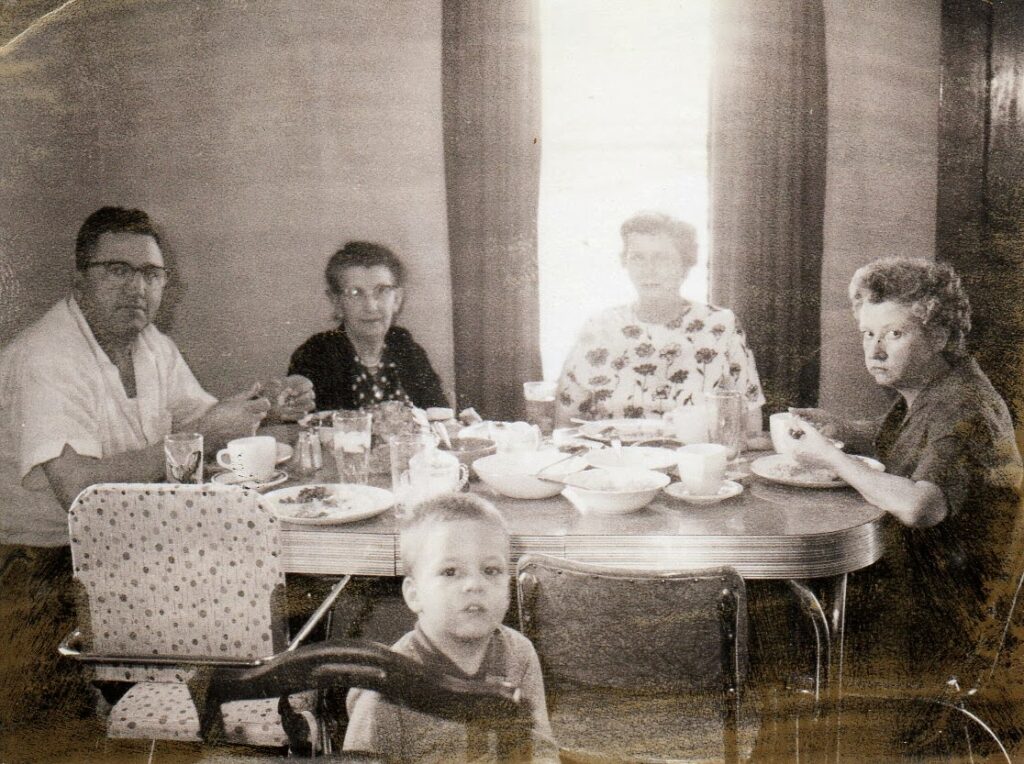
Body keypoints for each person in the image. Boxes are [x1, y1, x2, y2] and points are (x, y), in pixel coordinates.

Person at [0, 206, 314, 728]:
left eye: (150, 273)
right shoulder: (47, 356)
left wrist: (265, 407)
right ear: (80, 279)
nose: (136, 287)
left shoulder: (151, 347)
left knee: (269, 603)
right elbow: (76, 489)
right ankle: (202, 724)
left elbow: (204, 423)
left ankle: (247, 715)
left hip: (122, 546)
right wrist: (207, 435)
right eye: (117, 271)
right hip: (37, 564)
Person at [783, 257, 1023, 692]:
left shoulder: (961, 404)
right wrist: (842, 431)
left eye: (895, 334)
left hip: (946, 619)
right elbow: (901, 440)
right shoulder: (933, 388)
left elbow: (920, 505)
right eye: (868, 333)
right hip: (920, 588)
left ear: (939, 336)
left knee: (782, 599)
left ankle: (816, 725)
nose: (875, 350)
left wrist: (830, 457)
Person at [343, 493, 556, 762]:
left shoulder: (519, 654)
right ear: (414, 594)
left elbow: (540, 748)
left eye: (491, 570)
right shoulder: (386, 683)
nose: (474, 585)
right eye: (450, 572)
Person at [555, 211, 764, 428]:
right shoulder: (599, 328)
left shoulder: (720, 325)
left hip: (694, 460)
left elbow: (749, 424)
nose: (649, 270)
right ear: (624, 263)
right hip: (613, 460)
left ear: (685, 265)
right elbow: (566, 424)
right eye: (638, 257)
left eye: (662, 258)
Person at [288, 241, 448, 411]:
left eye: (382, 291)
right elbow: (300, 425)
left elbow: (439, 415)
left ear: (397, 299)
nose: (371, 306)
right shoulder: (315, 355)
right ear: (336, 302)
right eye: (355, 293)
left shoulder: (408, 350)